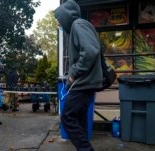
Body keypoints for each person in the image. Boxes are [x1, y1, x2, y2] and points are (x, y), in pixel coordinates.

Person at [55, 1, 103, 151]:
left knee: (67, 117)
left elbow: (90, 50)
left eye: (59, 19)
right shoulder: (77, 27)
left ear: (66, 16)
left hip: (84, 82)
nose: (59, 22)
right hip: (86, 82)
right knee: (80, 119)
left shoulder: (78, 25)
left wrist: (73, 73)